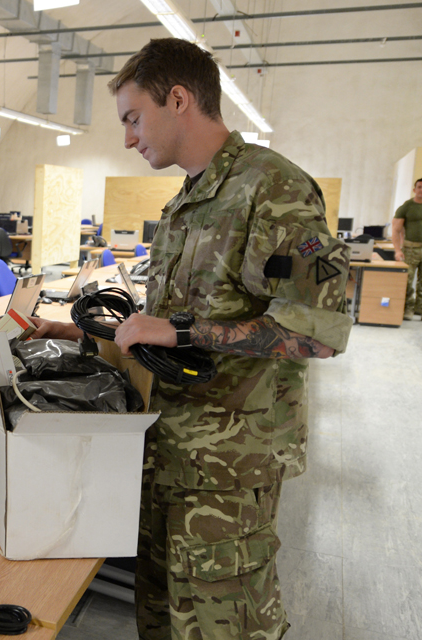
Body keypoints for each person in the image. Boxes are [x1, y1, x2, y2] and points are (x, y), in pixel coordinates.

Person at [29, 38, 352, 639]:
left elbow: (320, 335)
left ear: (177, 99)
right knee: (162, 620)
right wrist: (78, 332)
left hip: (229, 471)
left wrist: (179, 329)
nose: (128, 137)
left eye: (132, 118)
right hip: (168, 451)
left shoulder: (272, 190)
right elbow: (163, 333)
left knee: (225, 626)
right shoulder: (186, 202)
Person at [392, 177, 422, 320]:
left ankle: (420, 309)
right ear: (414, 189)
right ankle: (408, 309)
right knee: (408, 280)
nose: (421, 190)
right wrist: (398, 250)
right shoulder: (407, 207)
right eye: (420, 187)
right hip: (411, 249)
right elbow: (396, 230)